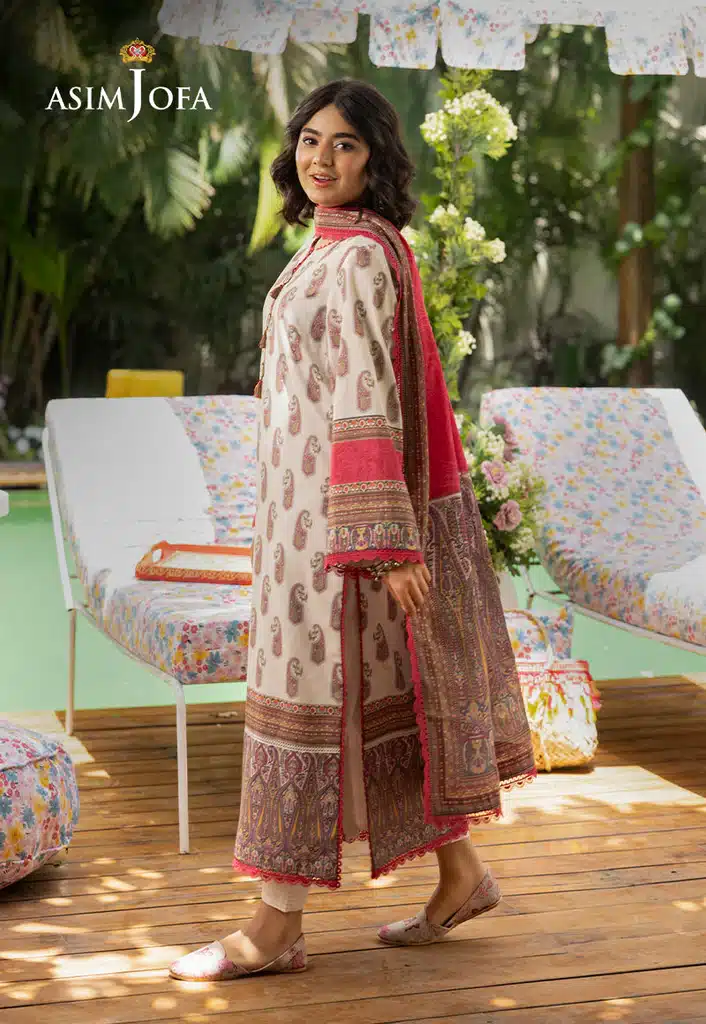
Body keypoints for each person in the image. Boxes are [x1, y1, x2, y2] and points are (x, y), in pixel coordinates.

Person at [169, 79, 535, 983]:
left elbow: (367, 396)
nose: (321, 158)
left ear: (376, 159)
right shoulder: (327, 244)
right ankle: (463, 875)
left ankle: (274, 927)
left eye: (345, 144)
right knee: (381, 693)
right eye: (310, 140)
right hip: (301, 525)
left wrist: (389, 543)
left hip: (338, 535)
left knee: (307, 704)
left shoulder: (362, 255)